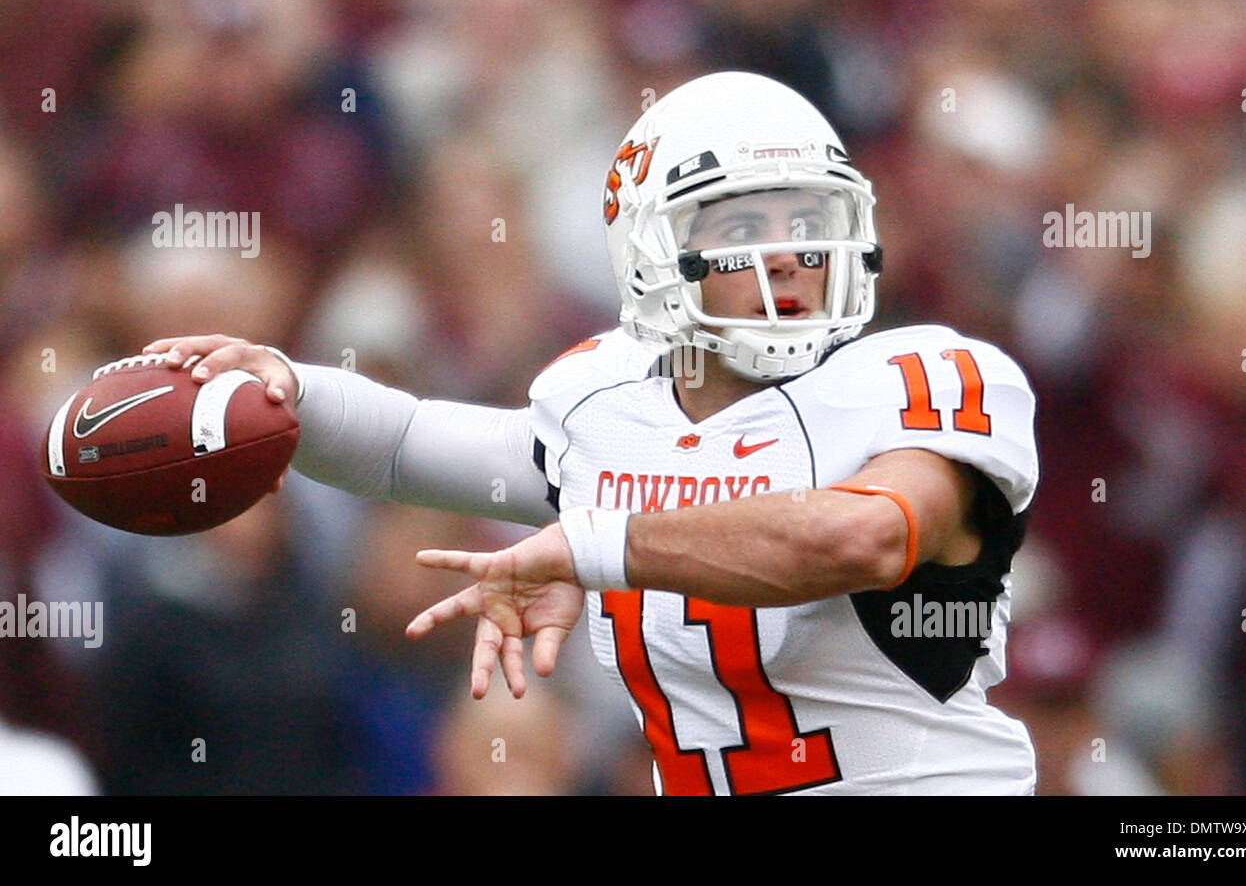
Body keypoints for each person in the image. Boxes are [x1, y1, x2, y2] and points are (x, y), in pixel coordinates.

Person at [144, 71, 1039, 795]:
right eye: (740, 226)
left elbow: (862, 537)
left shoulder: (924, 377)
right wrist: (285, 390)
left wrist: (592, 544)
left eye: (807, 222)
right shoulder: (607, 402)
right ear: (654, 252)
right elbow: (406, 444)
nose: (786, 254)